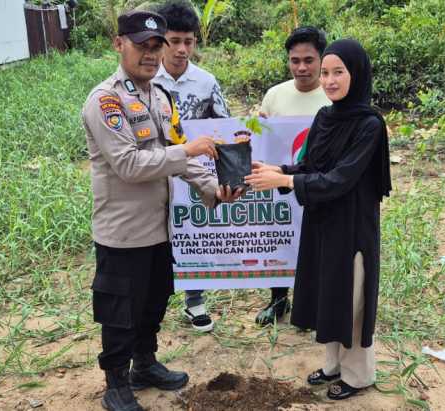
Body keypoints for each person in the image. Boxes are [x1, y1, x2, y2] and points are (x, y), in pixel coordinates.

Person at [81, 10, 241, 411]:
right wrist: (185, 149)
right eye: (142, 46)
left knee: (153, 301)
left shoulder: (159, 96)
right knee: (120, 311)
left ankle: (145, 364)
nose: (151, 55)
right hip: (123, 231)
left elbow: (180, 160)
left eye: (157, 46)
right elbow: (130, 165)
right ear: (119, 44)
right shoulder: (106, 101)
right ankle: (116, 383)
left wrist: (214, 191)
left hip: (158, 226)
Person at [245, 39, 391, 401]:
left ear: (356, 74)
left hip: (353, 225)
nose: (328, 80)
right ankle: (333, 364)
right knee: (329, 293)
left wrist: (285, 180)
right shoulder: (325, 117)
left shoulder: (369, 124)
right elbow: (313, 166)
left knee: (352, 298)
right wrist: (281, 169)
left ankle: (358, 374)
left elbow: (341, 178)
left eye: (337, 72)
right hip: (323, 220)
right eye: (325, 72)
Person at [153, 0, 230, 333]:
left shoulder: (206, 82)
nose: (183, 49)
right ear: (161, 41)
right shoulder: (145, 78)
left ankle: (194, 299)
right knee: (156, 236)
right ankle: (153, 301)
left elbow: (225, 125)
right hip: (154, 171)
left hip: (195, 173)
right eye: (175, 41)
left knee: (191, 232)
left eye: (189, 41)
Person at [253, 27, 331, 326]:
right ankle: (278, 299)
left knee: (319, 241)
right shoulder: (275, 94)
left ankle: (316, 305)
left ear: (321, 59)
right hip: (280, 182)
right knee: (280, 238)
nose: (301, 67)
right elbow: (263, 136)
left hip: (318, 183)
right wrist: (257, 123)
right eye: (294, 60)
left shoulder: (332, 93)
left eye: (309, 60)